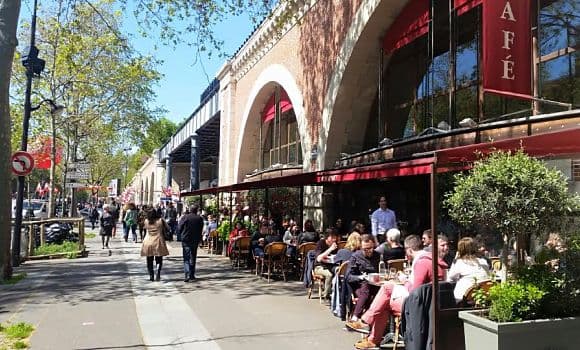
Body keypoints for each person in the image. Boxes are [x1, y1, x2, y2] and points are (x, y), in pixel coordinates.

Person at [350, 235, 449, 349]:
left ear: (409, 250)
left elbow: (414, 292)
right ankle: (370, 333)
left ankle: (367, 325)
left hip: (419, 307)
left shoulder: (422, 263)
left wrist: (404, 281)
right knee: (386, 295)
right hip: (432, 303)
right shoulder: (434, 261)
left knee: (386, 294)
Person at [347, 234, 381, 323]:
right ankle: (356, 316)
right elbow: (348, 277)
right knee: (366, 286)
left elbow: (382, 270)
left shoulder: (378, 255)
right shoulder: (355, 256)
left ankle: (372, 317)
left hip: (376, 285)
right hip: (359, 286)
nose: (369, 251)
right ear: (361, 248)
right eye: (365, 249)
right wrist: (361, 277)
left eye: (370, 248)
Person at [447, 237, 490, 303]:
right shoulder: (483, 262)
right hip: (482, 298)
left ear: (460, 250)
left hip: (463, 299)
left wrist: (454, 260)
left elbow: (449, 279)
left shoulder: (460, 262)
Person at [140, 208, 169, 281]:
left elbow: (143, 228)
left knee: (149, 260)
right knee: (159, 259)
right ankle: (158, 271)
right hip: (158, 241)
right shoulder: (160, 220)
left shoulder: (146, 221)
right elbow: (168, 228)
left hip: (148, 241)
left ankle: (151, 275)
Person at [177, 205, 204, 282]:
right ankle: (192, 274)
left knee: (186, 257)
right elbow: (201, 229)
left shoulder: (185, 217)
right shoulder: (199, 218)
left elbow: (179, 227)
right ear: (196, 210)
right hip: (195, 239)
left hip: (186, 239)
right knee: (193, 257)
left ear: (189, 210)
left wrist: (181, 234)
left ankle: (187, 274)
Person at [314, 229, 340, 299]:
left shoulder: (336, 245)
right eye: (332, 237)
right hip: (319, 266)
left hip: (331, 265)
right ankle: (326, 295)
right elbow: (319, 258)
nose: (334, 239)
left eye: (335, 237)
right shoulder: (321, 243)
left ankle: (337, 294)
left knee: (340, 271)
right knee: (329, 275)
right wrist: (330, 249)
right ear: (327, 237)